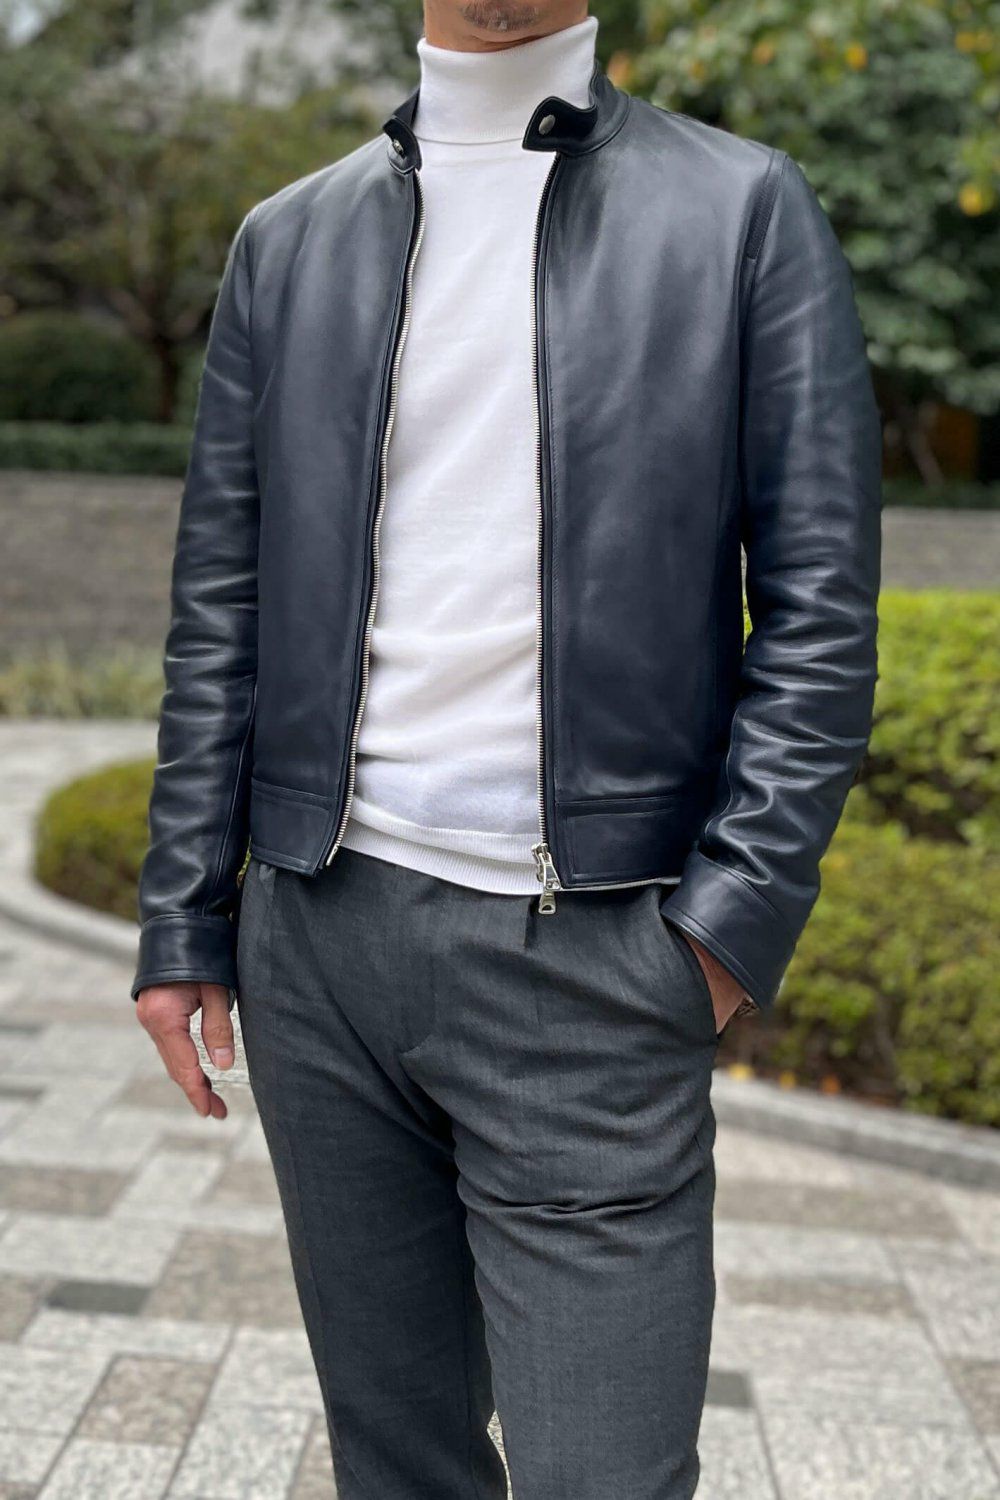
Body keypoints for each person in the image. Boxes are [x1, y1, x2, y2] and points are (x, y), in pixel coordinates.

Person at [131, 2, 881, 1495]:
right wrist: (183, 916)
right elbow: (223, 602)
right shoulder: (288, 240)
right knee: (398, 1465)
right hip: (319, 950)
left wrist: (724, 929)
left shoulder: (741, 211)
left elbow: (821, 609)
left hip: (596, 964)